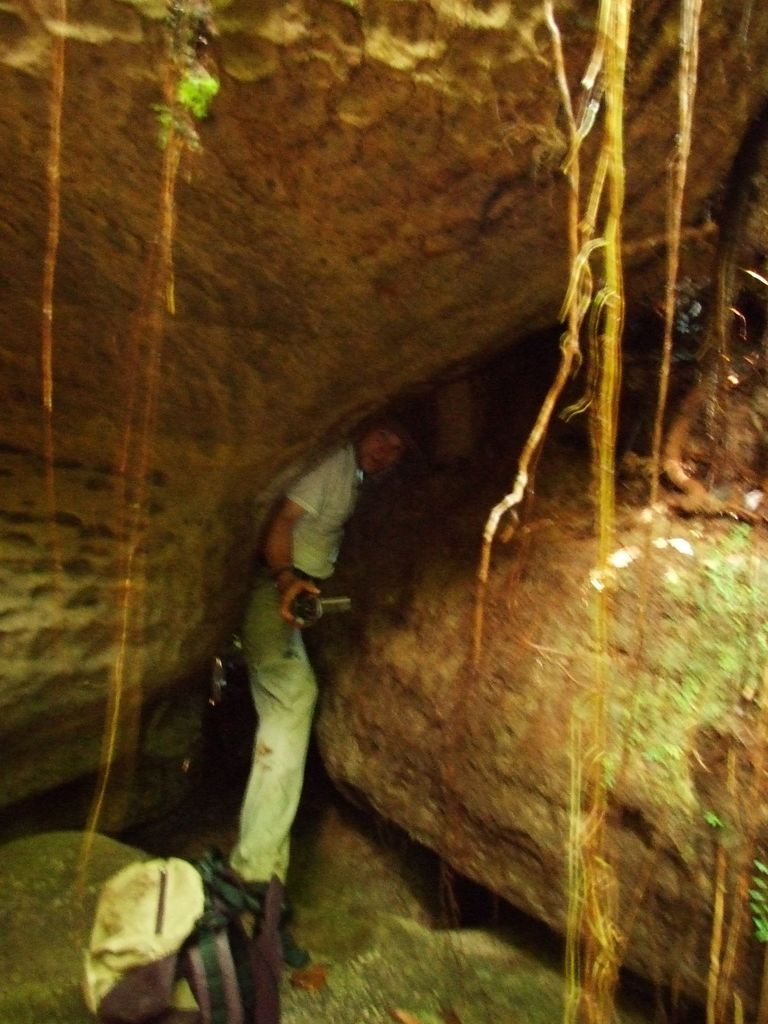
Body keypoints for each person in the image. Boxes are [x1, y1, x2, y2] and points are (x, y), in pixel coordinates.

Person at [229, 416, 410, 960]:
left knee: (293, 702)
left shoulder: (352, 477)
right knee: (292, 699)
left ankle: (259, 879)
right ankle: (254, 882)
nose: (386, 451)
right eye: (383, 436)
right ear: (362, 429)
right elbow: (282, 523)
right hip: (273, 595)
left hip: (295, 598)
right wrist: (288, 582)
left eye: (397, 448)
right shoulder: (333, 463)